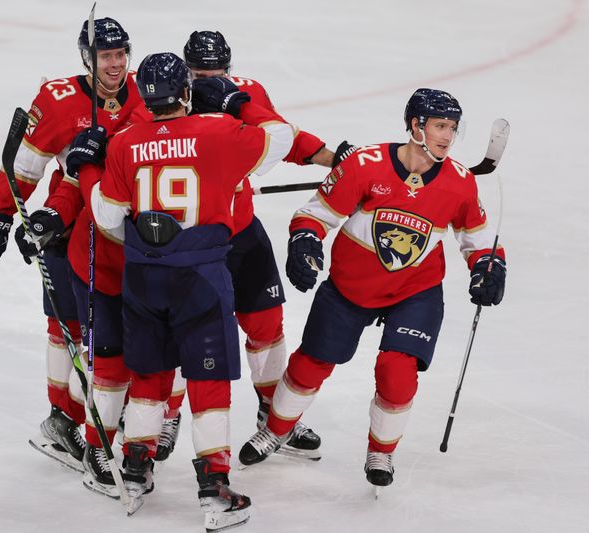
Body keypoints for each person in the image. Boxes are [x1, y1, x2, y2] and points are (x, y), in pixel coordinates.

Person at [238, 88, 507, 491]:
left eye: (452, 128)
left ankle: (381, 451)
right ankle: (275, 430)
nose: (447, 137)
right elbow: (315, 214)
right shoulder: (365, 165)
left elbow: (478, 239)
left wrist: (489, 265)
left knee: (397, 373)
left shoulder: (459, 183)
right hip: (351, 286)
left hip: (414, 291)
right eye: (439, 126)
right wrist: (305, 241)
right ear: (415, 125)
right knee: (311, 363)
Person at [74, 51, 293, 529]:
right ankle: (214, 488)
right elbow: (282, 138)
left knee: (150, 373)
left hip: (143, 277)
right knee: (207, 381)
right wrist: (238, 100)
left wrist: (86, 168)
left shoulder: (125, 142)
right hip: (199, 277)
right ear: (187, 93)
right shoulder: (218, 132)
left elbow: (109, 220)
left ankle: (134, 470)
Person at [150, 29, 352, 463]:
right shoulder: (162, 102)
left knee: (266, 322)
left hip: (239, 231)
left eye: (217, 73)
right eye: (200, 74)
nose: (209, 82)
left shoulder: (244, 93)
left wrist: (335, 159)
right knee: (182, 332)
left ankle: (272, 415)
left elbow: (282, 135)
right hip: (188, 244)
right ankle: (167, 414)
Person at [0, 16, 145, 475]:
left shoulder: (143, 92)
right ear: (87, 59)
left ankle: (93, 407)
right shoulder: (58, 99)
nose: (116, 64)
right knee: (66, 325)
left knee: (110, 330)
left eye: (120, 54)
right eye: (106, 56)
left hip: (119, 229)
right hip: (66, 223)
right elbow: (26, 166)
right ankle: (61, 417)